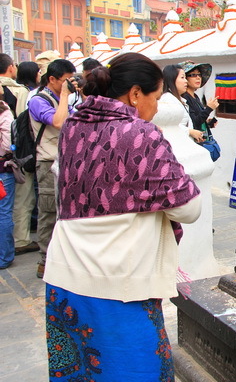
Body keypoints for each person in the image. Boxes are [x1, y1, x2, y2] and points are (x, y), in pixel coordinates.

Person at [44, 52, 201, 381]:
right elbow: (189, 207)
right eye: (156, 98)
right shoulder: (141, 135)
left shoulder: (74, 125)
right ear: (134, 94)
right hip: (117, 286)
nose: (157, 107)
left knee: (79, 374)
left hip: (63, 280)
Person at [28, 59, 77, 278]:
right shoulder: (39, 100)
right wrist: (66, 96)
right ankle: (45, 260)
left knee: (64, 211)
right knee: (48, 212)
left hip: (66, 161)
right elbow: (58, 122)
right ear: (52, 79)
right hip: (47, 163)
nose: (69, 84)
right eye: (66, 80)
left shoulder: (63, 98)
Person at [0, 56, 40, 255]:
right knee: (22, 200)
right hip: (15, 154)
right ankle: (20, 239)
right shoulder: (21, 92)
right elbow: (24, 126)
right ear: (9, 68)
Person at [154, 64, 204, 143]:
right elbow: (167, 126)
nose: (186, 81)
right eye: (182, 77)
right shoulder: (167, 99)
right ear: (172, 79)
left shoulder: (180, 99)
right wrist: (190, 132)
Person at [179, 60, 219, 133]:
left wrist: (207, 122)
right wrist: (209, 109)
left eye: (199, 75)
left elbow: (199, 119)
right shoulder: (184, 98)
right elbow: (193, 123)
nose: (198, 78)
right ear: (185, 78)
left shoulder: (195, 96)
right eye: (193, 75)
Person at [0, 93, 15, 269]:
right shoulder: (3, 110)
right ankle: (4, 257)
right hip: (2, 167)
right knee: (4, 212)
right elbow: (7, 143)